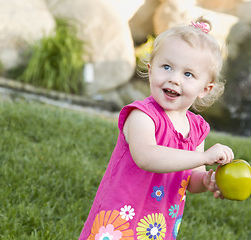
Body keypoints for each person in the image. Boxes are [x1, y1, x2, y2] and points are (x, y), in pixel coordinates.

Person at [79, 17, 234, 240]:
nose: (174, 79)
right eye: (167, 67)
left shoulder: (197, 129)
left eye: (188, 74)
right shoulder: (142, 115)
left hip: (156, 225)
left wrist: (208, 180)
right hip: (119, 218)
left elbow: (191, 179)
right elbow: (146, 156)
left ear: (205, 89)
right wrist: (204, 156)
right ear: (151, 70)